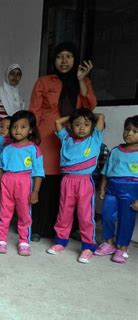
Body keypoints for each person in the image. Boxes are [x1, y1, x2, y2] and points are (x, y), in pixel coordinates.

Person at [29, 42, 96, 241]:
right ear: (54, 60)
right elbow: (35, 110)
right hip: (48, 136)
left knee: (70, 182)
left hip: (75, 138)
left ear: (76, 60)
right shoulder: (44, 81)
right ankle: (40, 228)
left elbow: (89, 107)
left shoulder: (82, 81)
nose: (64, 61)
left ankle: (69, 228)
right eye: (60, 56)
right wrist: (34, 135)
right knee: (47, 179)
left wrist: (82, 80)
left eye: (69, 56)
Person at [46, 109, 105, 263]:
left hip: (85, 181)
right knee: (64, 212)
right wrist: (72, 116)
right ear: (71, 127)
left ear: (92, 127)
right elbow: (58, 122)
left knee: (85, 215)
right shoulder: (66, 139)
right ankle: (60, 242)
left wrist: (87, 115)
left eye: (86, 124)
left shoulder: (95, 138)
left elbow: (101, 117)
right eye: (77, 124)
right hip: (67, 181)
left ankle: (87, 247)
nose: (82, 128)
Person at [0, 110, 44, 256]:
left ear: (31, 130)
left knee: (24, 214)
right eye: (14, 127)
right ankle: (1, 239)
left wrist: (35, 191)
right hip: (7, 182)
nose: (17, 130)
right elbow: (1, 170)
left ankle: (24, 241)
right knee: (4, 212)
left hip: (25, 183)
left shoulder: (34, 149)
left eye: (23, 127)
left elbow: (39, 173)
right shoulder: (7, 149)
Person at [95, 115, 138, 264]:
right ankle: (109, 243)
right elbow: (106, 171)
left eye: (135, 131)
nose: (129, 134)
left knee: (126, 220)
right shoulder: (115, 151)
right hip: (112, 189)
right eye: (127, 130)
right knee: (106, 215)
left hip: (132, 191)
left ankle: (123, 248)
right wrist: (102, 189)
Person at [0, 63, 25, 130]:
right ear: (7, 75)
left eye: (18, 74)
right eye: (12, 73)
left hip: (12, 137)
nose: (15, 77)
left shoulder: (19, 99)